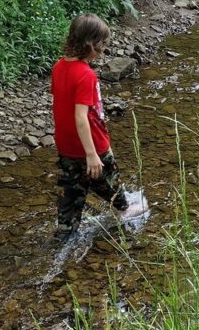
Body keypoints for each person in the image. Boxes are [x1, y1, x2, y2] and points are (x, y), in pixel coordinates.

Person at [50, 14, 143, 241]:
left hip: (67, 147)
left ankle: (65, 234)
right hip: (94, 147)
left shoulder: (59, 67)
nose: (104, 50)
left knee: (70, 196)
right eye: (102, 45)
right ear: (90, 44)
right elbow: (81, 117)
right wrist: (92, 154)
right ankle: (126, 211)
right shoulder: (86, 75)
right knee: (111, 184)